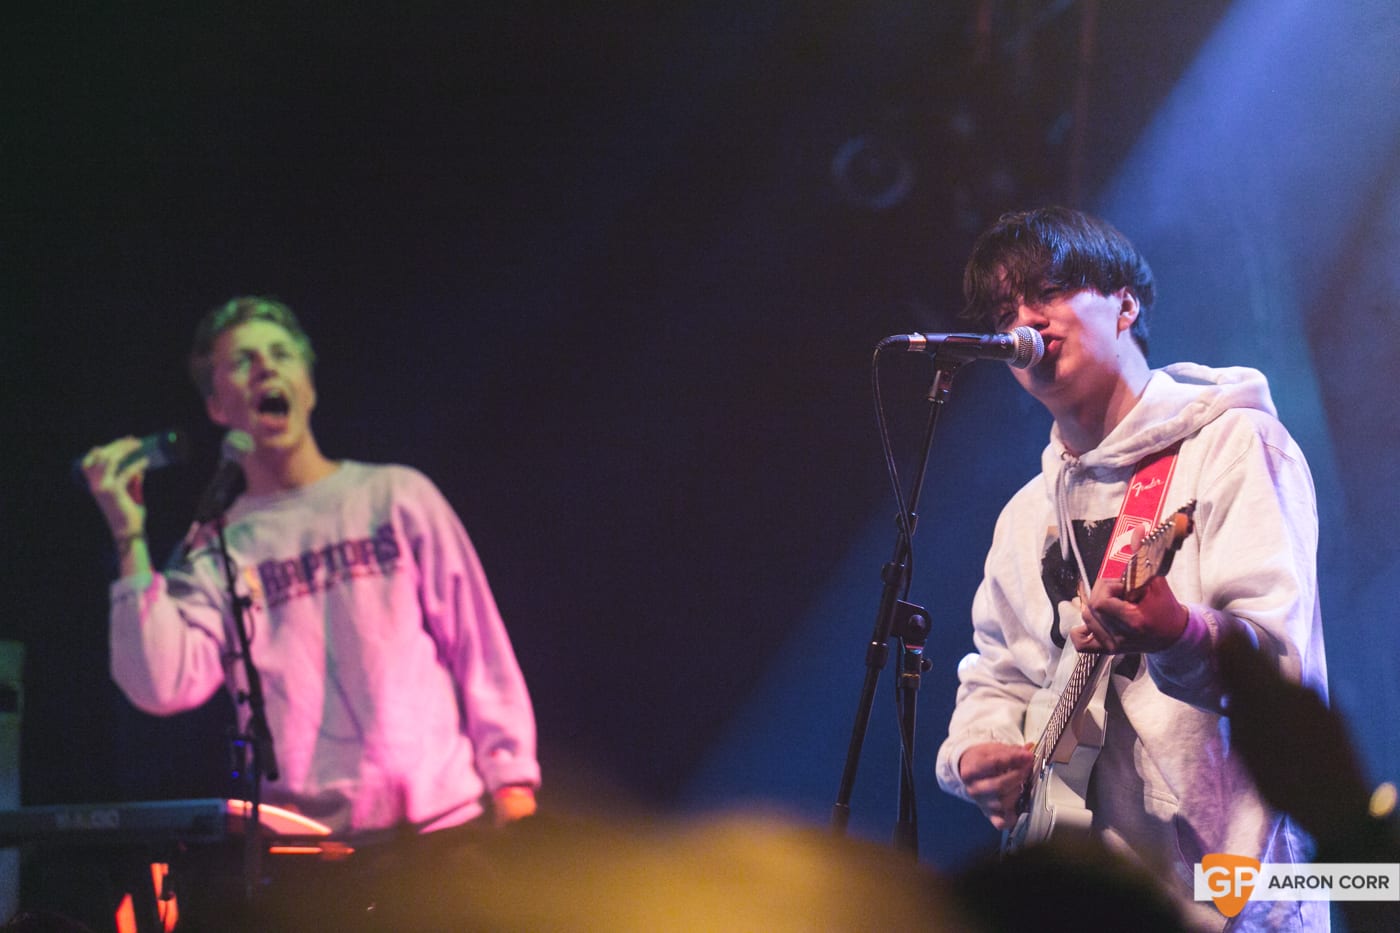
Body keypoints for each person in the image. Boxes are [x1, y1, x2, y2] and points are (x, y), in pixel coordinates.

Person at [933, 208, 1328, 931]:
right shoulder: (1025, 516)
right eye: (1002, 309)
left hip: (1231, 889)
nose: (1023, 319)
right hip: (1095, 899)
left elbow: (1283, 671)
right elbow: (996, 676)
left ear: (1125, 303)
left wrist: (1180, 634)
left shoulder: (1234, 445)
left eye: (1047, 290)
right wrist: (974, 754)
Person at [79, 297, 539, 885]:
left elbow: (477, 640)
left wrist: (513, 779)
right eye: (242, 362)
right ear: (217, 405)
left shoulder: (395, 496)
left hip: (441, 835)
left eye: (280, 354)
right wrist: (129, 535)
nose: (266, 369)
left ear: (309, 385)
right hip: (310, 858)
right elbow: (159, 683)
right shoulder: (219, 542)